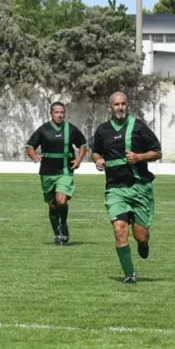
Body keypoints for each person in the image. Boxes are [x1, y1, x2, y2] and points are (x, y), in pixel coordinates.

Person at [90, 92, 163, 285]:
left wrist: (139, 158)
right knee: (120, 229)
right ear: (110, 108)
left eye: (123, 104)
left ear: (127, 105)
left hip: (140, 187)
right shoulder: (103, 130)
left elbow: (157, 152)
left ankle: (143, 243)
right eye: (116, 104)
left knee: (140, 234)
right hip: (115, 189)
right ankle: (130, 274)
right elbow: (95, 151)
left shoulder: (138, 127)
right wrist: (98, 160)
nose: (120, 107)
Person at [25, 102, 88, 245]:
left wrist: (79, 159)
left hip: (65, 171)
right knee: (53, 205)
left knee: (61, 201)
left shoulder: (70, 129)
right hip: (47, 172)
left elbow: (83, 144)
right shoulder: (43, 130)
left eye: (62, 112)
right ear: (51, 113)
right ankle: (57, 233)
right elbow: (30, 145)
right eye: (57, 112)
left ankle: (63, 224)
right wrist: (33, 155)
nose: (60, 115)